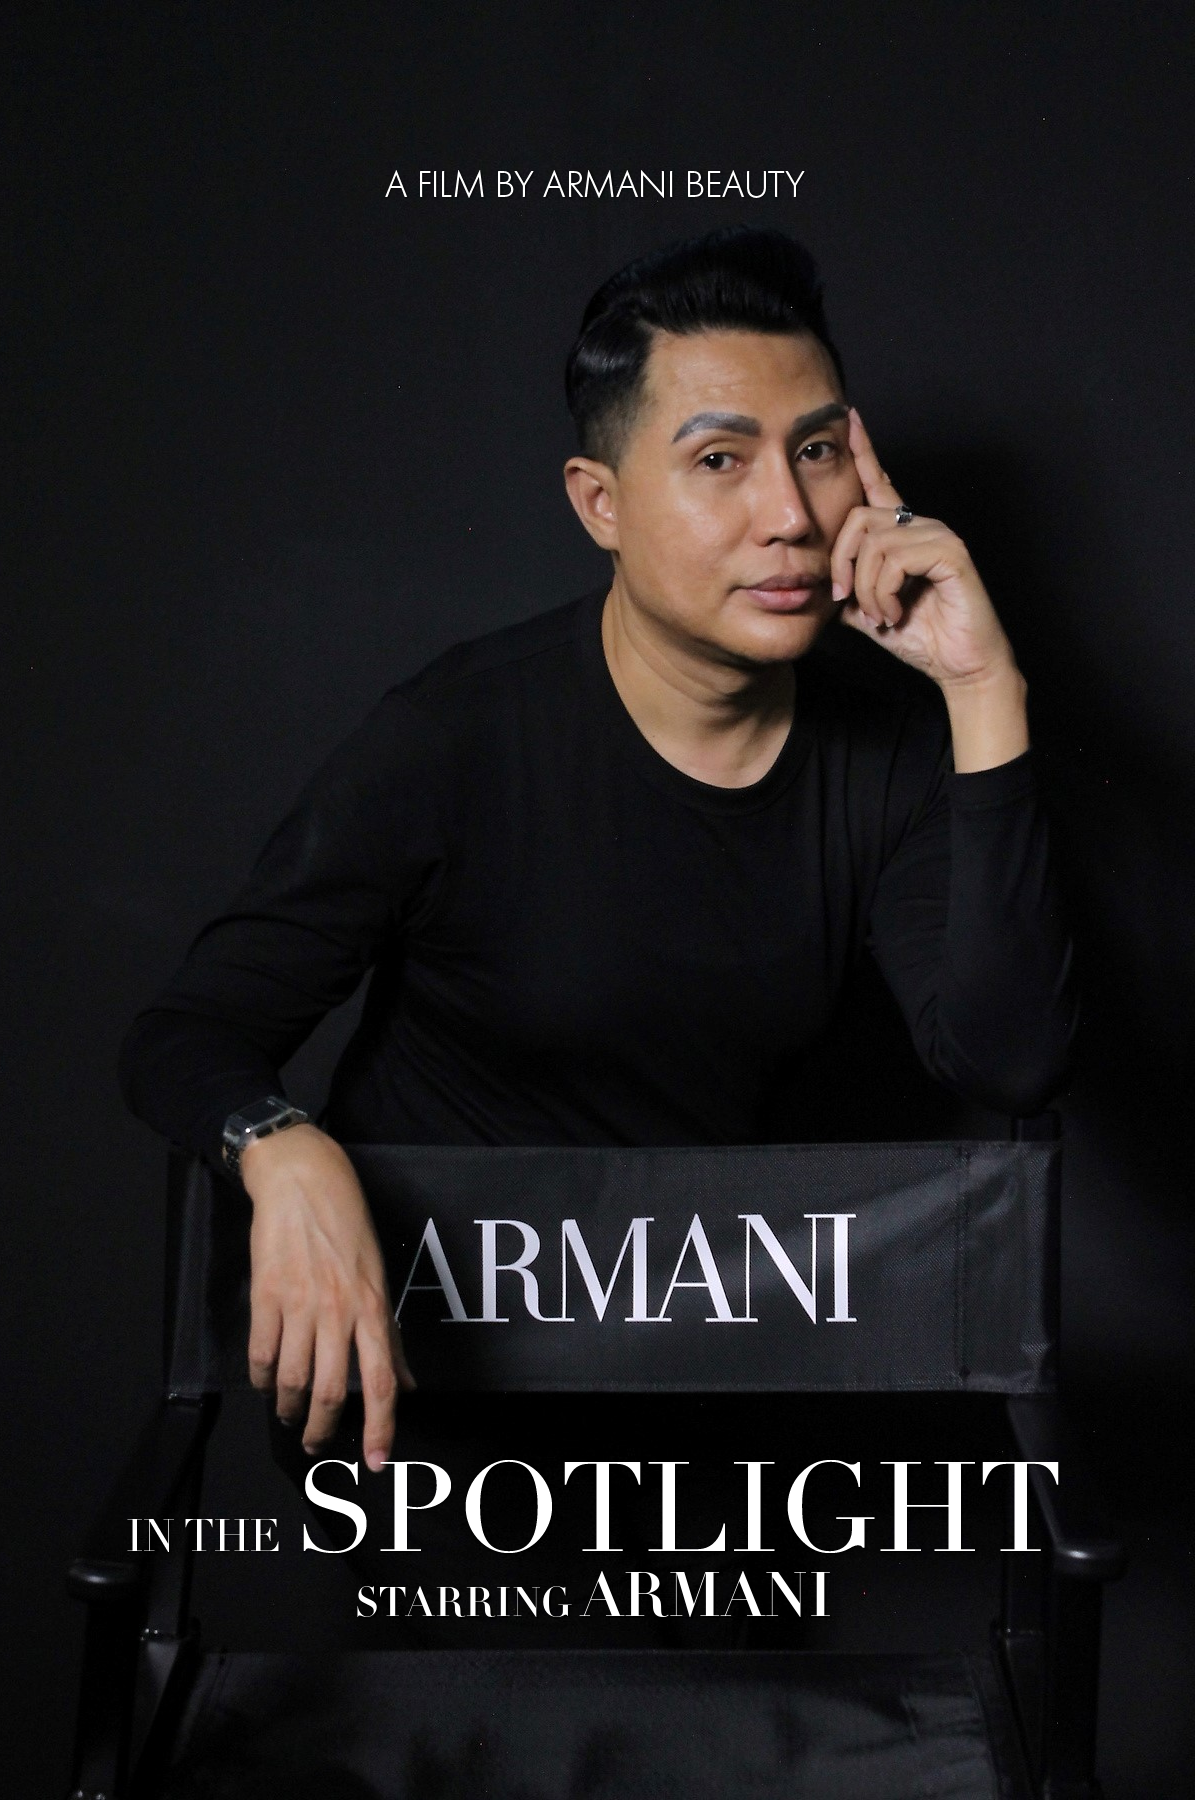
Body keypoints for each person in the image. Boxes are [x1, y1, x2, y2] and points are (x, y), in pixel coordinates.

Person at [119, 226, 1075, 1497]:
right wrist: (283, 1147)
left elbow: (1009, 1060)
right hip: (432, 1402)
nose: (791, 516)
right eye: (720, 460)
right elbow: (184, 1034)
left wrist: (984, 688)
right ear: (599, 503)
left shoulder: (887, 752)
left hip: (703, 1390)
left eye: (818, 450)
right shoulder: (457, 735)